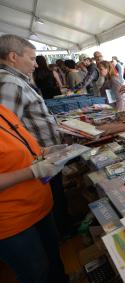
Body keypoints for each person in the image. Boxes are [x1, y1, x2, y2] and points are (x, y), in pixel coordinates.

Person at [0, 34, 71, 240]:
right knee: (53, 201)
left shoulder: (14, 81)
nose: (35, 64)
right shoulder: (10, 83)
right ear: (13, 56)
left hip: (42, 156)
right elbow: (7, 132)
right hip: (37, 161)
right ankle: (62, 234)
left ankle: (61, 231)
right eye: (31, 59)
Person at [0, 103, 68, 282]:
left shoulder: (3, 110)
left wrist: (44, 152)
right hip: (12, 222)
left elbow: (21, 146)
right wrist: (34, 171)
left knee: (53, 259)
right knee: (36, 273)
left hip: (40, 206)